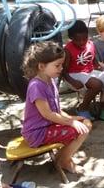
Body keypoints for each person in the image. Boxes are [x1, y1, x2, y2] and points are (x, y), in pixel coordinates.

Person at [23, 41, 92, 175]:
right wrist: (71, 122)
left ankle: (62, 157)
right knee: (81, 129)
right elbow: (48, 114)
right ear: (42, 66)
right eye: (57, 65)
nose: (61, 68)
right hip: (37, 133)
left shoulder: (50, 81)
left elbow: (56, 110)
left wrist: (71, 117)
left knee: (85, 123)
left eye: (61, 64)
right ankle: (63, 161)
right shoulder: (36, 86)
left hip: (47, 126)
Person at [63, 20, 104, 121]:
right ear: (71, 38)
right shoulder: (68, 49)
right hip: (74, 74)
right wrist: (72, 81)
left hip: (89, 72)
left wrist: (102, 69)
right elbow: (63, 70)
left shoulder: (90, 44)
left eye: (85, 38)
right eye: (78, 40)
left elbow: (94, 61)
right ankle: (83, 108)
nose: (82, 42)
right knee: (96, 84)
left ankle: (102, 107)